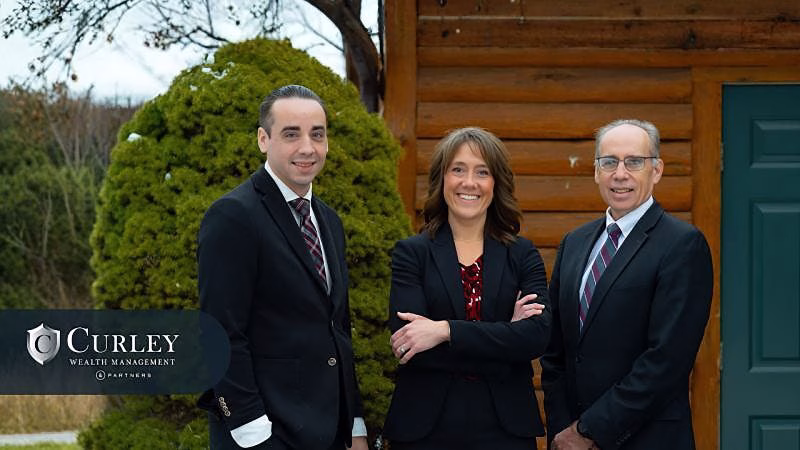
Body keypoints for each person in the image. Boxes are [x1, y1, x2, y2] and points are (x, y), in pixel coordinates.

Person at [196, 85, 368, 450]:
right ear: (263, 139)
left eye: (317, 134)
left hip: (329, 434)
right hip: (264, 435)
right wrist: (255, 434)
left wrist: (354, 425)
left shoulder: (330, 222)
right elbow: (220, 334)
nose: (308, 147)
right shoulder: (233, 216)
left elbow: (337, 329)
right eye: (291, 134)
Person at [541, 119, 713, 449]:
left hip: (648, 438)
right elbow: (556, 351)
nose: (620, 174)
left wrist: (588, 431)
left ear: (656, 170)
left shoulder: (682, 245)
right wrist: (564, 430)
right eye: (609, 162)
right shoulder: (574, 243)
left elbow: (666, 361)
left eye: (634, 161)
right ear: (596, 171)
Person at [382, 127, 551, 450]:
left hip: (505, 432)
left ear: (496, 183)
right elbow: (410, 346)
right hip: (425, 431)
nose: (469, 182)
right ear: (442, 179)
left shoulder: (522, 254)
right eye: (458, 169)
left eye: (482, 172)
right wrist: (506, 340)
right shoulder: (412, 254)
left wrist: (444, 330)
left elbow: (536, 337)